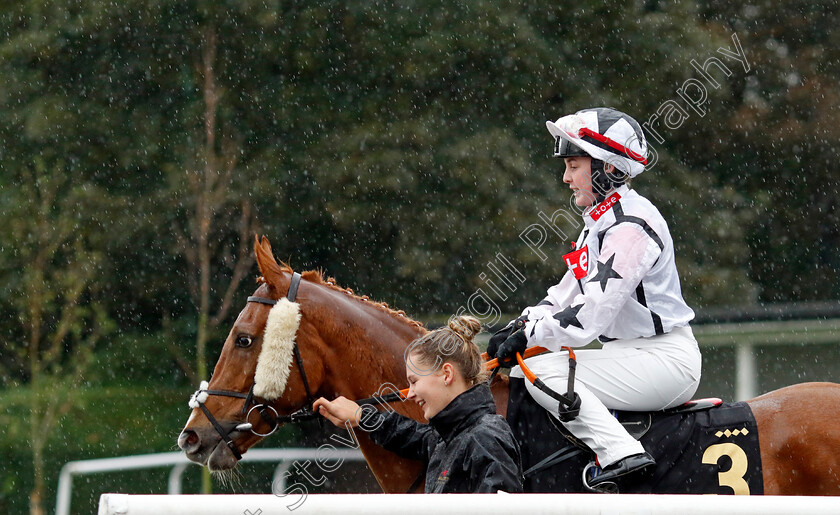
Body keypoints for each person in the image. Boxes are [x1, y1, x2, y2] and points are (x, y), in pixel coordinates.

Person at [488, 107, 701, 489]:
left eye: (573, 165)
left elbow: (588, 320)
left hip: (665, 361)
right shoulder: (600, 223)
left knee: (543, 371)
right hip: (634, 355)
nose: (566, 177)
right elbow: (564, 296)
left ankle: (621, 452)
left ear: (610, 168)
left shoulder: (631, 225)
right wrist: (520, 325)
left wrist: (531, 336)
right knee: (526, 370)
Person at [313, 315, 524, 493]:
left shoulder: (484, 437)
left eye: (414, 381)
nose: (410, 394)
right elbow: (411, 435)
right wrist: (361, 416)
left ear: (447, 374)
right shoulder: (449, 437)